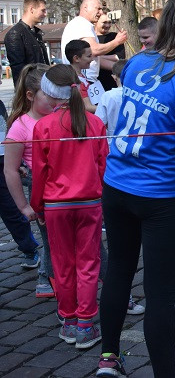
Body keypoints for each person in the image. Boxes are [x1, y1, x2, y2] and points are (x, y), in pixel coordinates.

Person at [97, 0, 175, 378]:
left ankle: (108, 360)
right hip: (158, 196)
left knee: (118, 271)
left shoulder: (137, 63)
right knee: (160, 294)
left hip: (116, 185)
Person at [30, 65, 108, 350]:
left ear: (49, 95)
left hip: (56, 206)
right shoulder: (94, 124)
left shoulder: (43, 127)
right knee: (89, 263)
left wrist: (36, 205)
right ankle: (86, 324)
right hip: (89, 203)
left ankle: (70, 320)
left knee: (63, 265)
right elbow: (103, 166)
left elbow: (40, 173)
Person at [3, 64, 50, 286]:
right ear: (30, 95)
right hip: (43, 194)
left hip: (72, 190)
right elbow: (10, 169)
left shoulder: (61, 117)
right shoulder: (20, 126)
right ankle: (49, 279)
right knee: (51, 245)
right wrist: (24, 207)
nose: (56, 99)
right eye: (49, 94)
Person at [61, 0, 127, 82]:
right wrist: (117, 41)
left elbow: (95, 58)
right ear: (85, 8)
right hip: (82, 79)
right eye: (98, 9)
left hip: (87, 79)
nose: (101, 12)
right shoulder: (82, 24)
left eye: (101, 9)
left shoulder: (83, 24)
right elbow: (94, 50)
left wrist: (124, 69)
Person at [5, 0, 50, 86]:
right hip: (32, 90)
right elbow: (19, 69)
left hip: (42, 86)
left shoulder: (36, 33)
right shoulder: (15, 34)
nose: (45, 14)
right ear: (31, 9)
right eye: (43, 10)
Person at [94, 60, 127, 140]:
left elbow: (98, 123)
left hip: (113, 143)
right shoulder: (140, 95)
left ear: (114, 77)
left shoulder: (108, 96)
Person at [96, 11, 127, 91]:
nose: (107, 25)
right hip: (96, 79)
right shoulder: (91, 38)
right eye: (104, 22)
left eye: (109, 22)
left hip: (112, 79)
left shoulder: (115, 37)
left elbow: (119, 57)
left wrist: (96, 56)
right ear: (96, 22)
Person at [64, 39, 97, 113]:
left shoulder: (79, 75)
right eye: (89, 56)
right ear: (76, 58)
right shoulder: (76, 80)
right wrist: (107, 108)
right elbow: (87, 107)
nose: (92, 59)